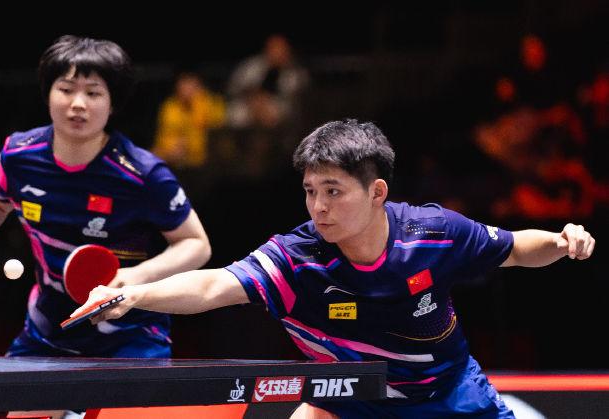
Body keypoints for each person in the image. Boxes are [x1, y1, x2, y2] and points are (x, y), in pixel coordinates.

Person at [75, 119, 595, 418]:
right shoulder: (297, 257)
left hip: (447, 395)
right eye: (309, 191)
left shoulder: (434, 233)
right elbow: (215, 285)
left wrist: (559, 241)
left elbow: (515, 248)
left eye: (333, 191)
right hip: (351, 403)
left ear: (376, 192)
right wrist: (136, 295)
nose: (318, 207)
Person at [0, 35, 211, 359]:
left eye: (93, 93)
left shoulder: (142, 174)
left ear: (112, 103)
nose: (78, 103)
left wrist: (134, 277)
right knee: (3, 393)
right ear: (48, 94)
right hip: (45, 334)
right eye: (66, 89)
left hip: (132, 339)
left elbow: (196, 244)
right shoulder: (19, 154)